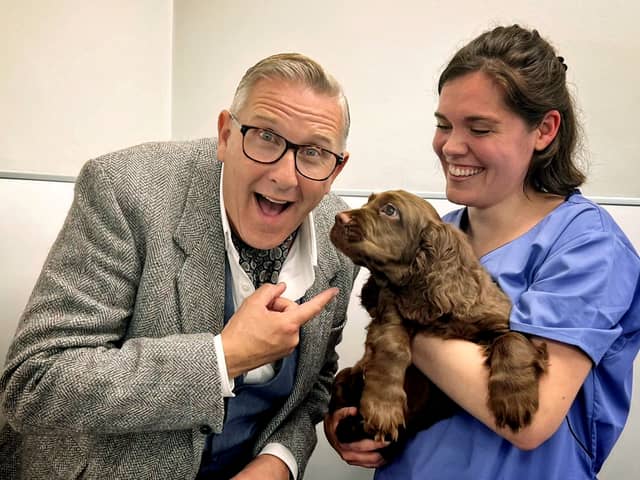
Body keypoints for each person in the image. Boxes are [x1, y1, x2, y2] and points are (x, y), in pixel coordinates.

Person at [0, 53, 359, 480]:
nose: (285, 176)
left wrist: (280, 460)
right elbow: (35, 382)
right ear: (225, 134)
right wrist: (222, 358)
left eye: (315, 153)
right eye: (266, 136)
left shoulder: (341, 240)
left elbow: (313, 386)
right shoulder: (125, 189)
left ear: (336, 169)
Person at [325, 25, 640, 479]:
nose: (451, 146)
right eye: (443, 125)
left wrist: (401, 327)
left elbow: (529, 421)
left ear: (545, 130)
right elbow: (399, 376)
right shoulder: (434, 233)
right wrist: (358, 413)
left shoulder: (587, 246)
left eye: (479, 127)